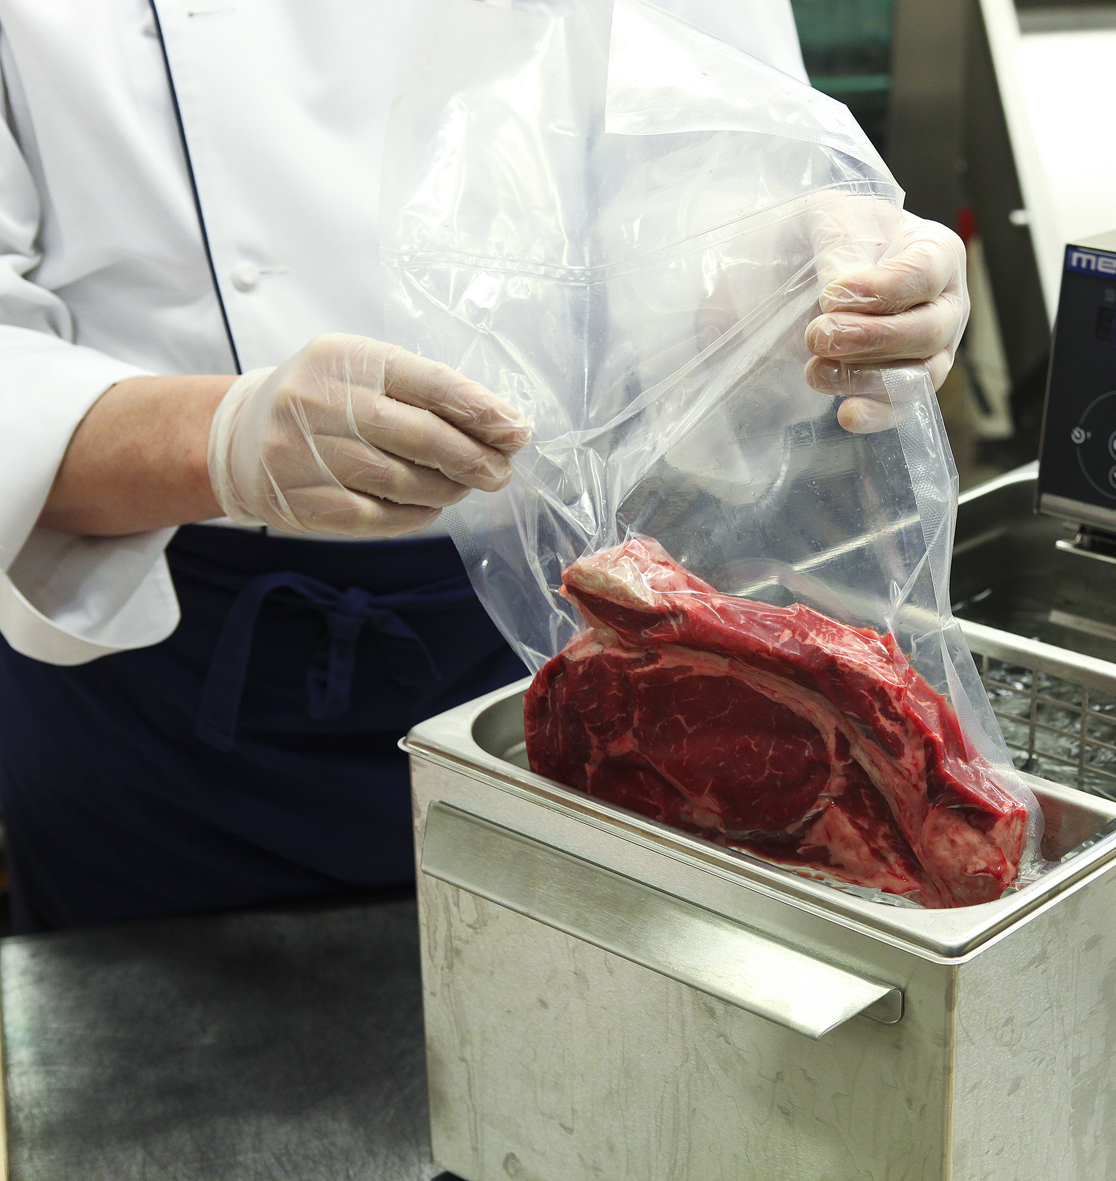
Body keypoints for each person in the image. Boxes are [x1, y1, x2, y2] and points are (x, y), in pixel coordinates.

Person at [0, 0, 968, 931]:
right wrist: (214, 436)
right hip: (154, 672)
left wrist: (790, 284)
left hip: (566, 622)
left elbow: (711, 164)